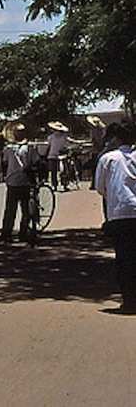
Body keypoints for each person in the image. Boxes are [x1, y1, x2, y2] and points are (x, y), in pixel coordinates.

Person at [95, 122, 136, 314]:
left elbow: (100, 188)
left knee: (124, 259)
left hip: (119, 213)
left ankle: (129, 300)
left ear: (116, 138)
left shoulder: (108, 158)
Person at [0, 123, 39, 243]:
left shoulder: (8, 148)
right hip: (24, 182)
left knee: (11, 210)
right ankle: (22, 233)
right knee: (25, 210)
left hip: (13, 182)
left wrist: (5, 176)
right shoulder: (29, 148)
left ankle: (7, 233)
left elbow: (4, 163)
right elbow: (36, 162)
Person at [46, 121, 77, 191]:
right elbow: (71, 141)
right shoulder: (61, 137)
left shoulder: (51, 137)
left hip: (55, 155)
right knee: (63, 171)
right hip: (59, 155)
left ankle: (55, 185)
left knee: (56, 172)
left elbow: (48, 146)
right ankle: (63, 184)